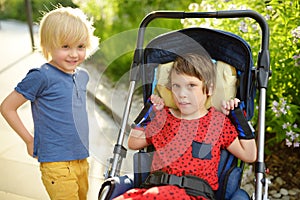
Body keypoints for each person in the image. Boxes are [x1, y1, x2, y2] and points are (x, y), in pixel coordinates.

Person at [114, 53, 257, 200]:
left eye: (191, 86)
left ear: (209, 89)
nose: (182, 94)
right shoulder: (163, 117)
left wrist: (238, 118)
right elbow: (133, 143)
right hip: (157, 189)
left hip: (194, 195)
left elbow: (249, 155)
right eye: (176, 86)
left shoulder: (217, 123)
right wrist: (148, 113)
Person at [0, 6, 99, 200]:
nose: (74, 54)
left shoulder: (83, 76)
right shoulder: (41, 76)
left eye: (80, 46)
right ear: (48, 45)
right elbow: (7, 107)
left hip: (81, 158)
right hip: (56, 163)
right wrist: (29, 140)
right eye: (65, 46)